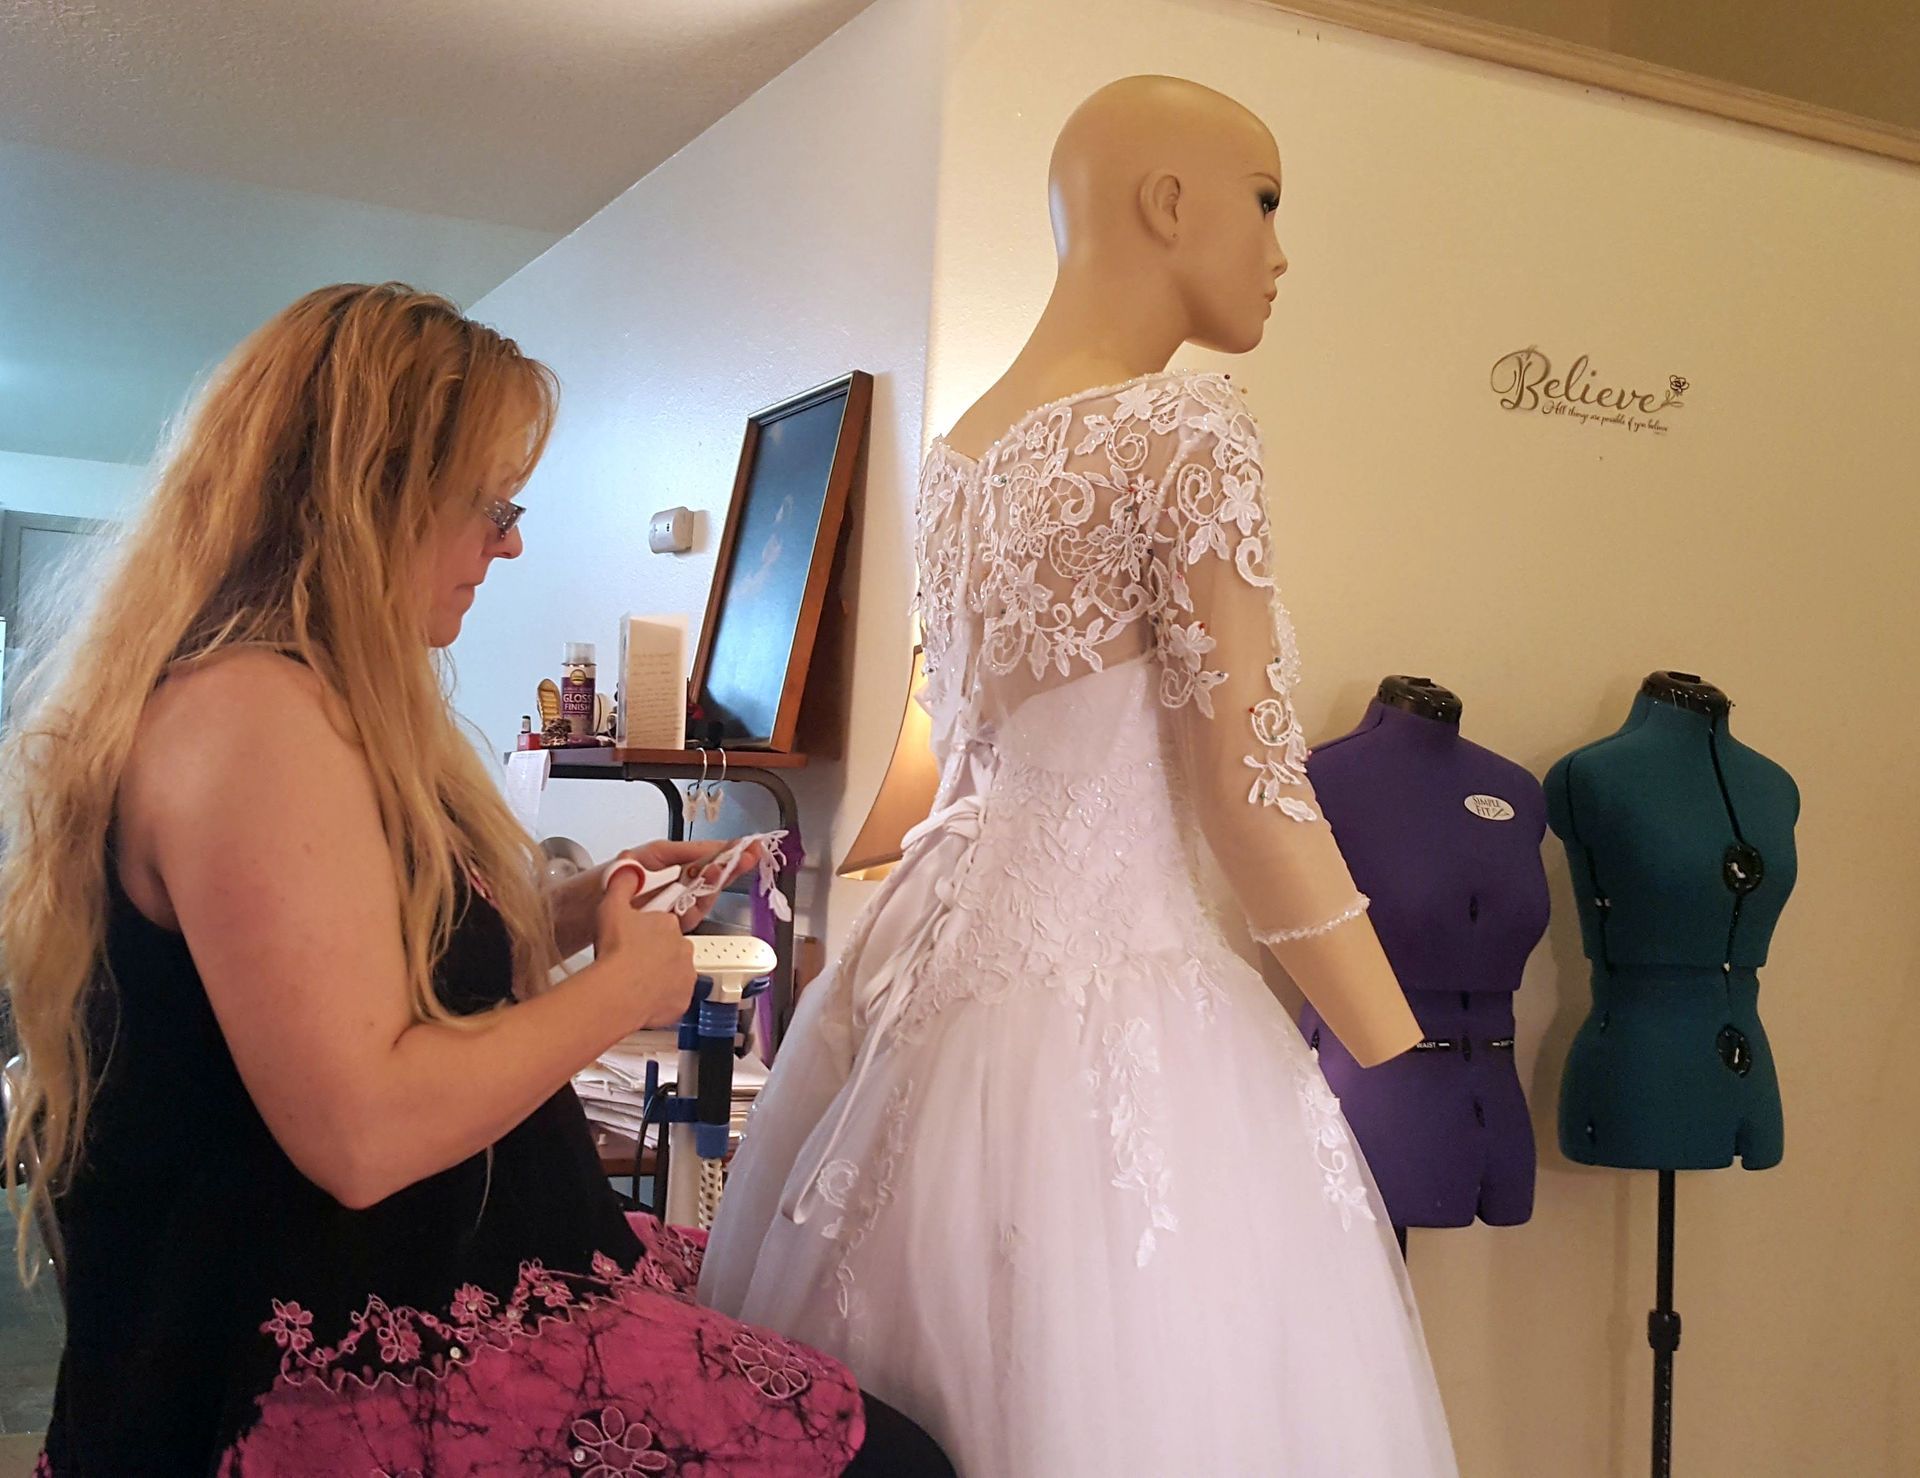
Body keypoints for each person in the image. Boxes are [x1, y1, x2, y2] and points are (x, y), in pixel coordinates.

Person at [0, 283, 953, 1477]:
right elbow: (363, 1126)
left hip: (432, 1295)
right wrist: (621, 990)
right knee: (895, 1458)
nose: (509, 544)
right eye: (490, 505)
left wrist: (568, 904)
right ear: (372, 494)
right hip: (327, 1380)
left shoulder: (303, 696)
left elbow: (349, 960)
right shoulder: (249, 715)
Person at [699, 78, 1458, 1475]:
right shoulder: (1185, 432)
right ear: (1169, 203)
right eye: (1269, 201)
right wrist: (1392, 1037)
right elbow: (1248, 780)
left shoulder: (959, 457)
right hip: (1121, 997)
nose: (1283, 253)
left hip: (934, 1003)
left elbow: (963, 762)